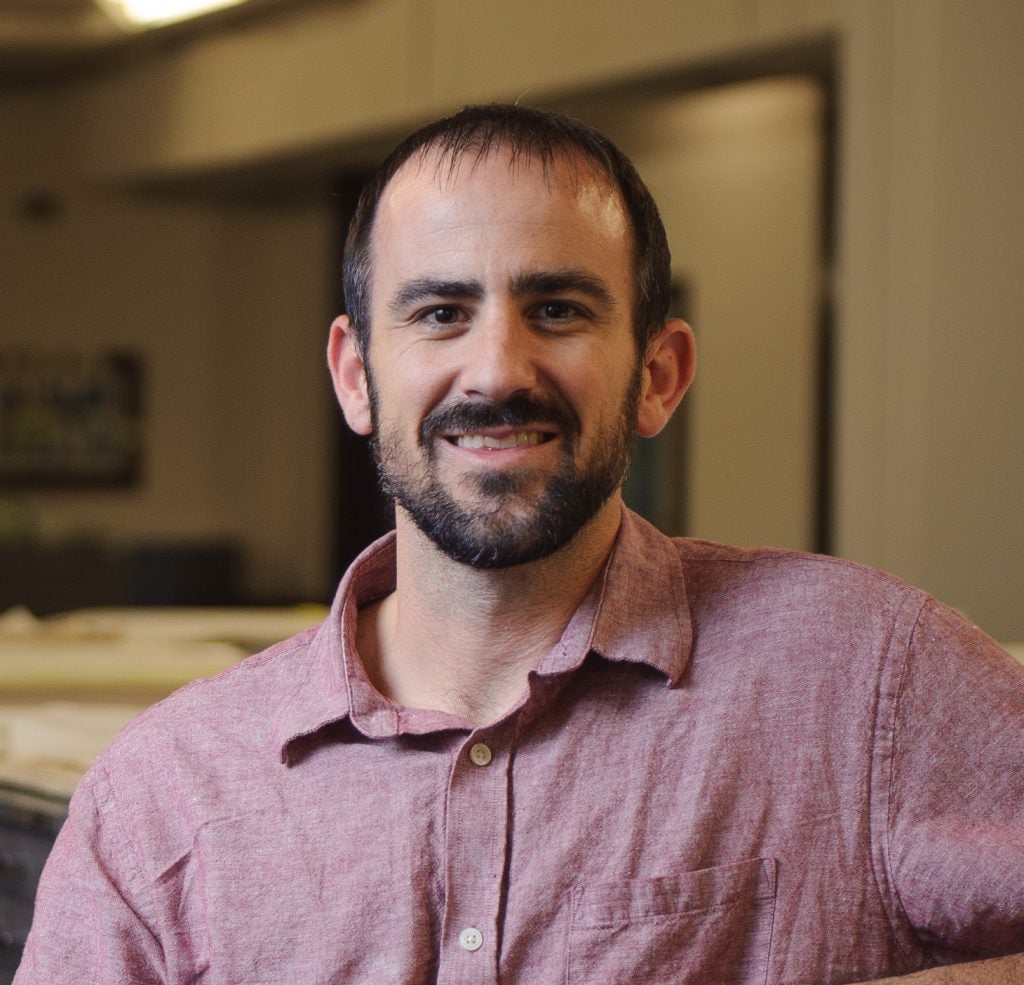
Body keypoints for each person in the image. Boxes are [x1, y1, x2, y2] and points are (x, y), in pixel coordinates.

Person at [15, 104, 1024, 984]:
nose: (497, 366)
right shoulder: (165, 795)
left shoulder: (863, 680)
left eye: (557, 309)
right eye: (441, 311)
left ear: (659, 373)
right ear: (356, 375)